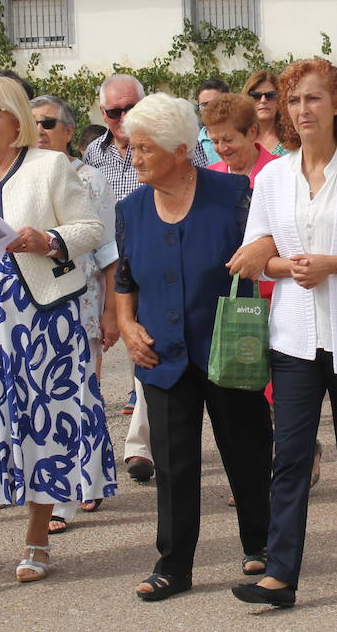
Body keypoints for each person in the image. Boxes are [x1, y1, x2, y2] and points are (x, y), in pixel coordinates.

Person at [228, 58, 337, 606]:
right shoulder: (273, 178)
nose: (303, 109)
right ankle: (280, 574)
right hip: (293, 337)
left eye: (313, 98)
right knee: (292, 455)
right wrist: (287, 267)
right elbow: (257, 252)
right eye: (294, 100)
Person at [0, 76, 111, 587]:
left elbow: (92, 231)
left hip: (47, 320)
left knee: (45, 426)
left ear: (15, 119)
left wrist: (48, 238)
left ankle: (37, 540)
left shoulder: (50, 166)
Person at [112, 94, 272, 601]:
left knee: (246, 451)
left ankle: (262, 544)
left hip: (228, 346)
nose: (133, 158)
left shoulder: (234, 193)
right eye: (130, 148)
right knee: (174, 463)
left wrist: (262, 249)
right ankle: (174, 564)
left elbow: (271, 243)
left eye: (143, 148)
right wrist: (127, 324)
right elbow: (125, 278)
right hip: (161, 355)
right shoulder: (130, 207)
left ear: (180, 150)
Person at [83, 73, 205, 484]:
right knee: (114, 358)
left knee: (147, 352)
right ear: (103, 113)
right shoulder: (93, 155)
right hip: (111, 266)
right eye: (113, 111)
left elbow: (197, 187)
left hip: (164, 261)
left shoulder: (177, 146)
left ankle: (139, 445)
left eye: (128, 109)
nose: (121, 117)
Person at [32, 94, 119, 532]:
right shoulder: (20, 177)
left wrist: (111, 312)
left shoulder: (91, 180)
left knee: (80, 396)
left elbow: (107, 252)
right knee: (40, 402)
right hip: (30, 305)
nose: (41, 131)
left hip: (80, 303)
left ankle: (76, 487)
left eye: (49, 123)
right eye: (33, 123)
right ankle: (55, 485)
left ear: (69, 132)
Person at [202, 92, 278, 184]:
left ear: (252, 132)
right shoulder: (208, 178)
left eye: (228, 140)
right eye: (215, 142)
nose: (222, 148)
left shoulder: (281, 170)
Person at [244, 69, 289, 157]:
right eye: (256, 96)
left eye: (271, 95)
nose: (263, 101)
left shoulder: (292, 139)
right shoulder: (239, 137)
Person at [195, 77, 230, 166]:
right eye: (204, 105)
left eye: (215, 103)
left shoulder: (240, 138)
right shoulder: (194, 143)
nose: (210, 109)